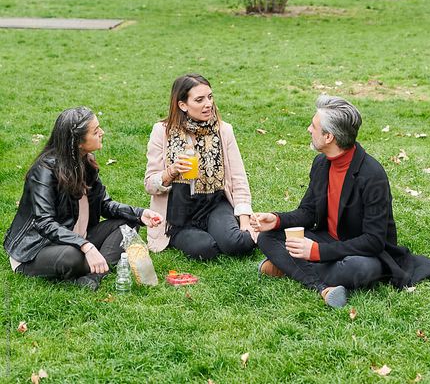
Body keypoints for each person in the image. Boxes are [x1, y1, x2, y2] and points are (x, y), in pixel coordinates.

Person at [251, 95, 430, 309]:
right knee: (268, 237)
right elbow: (308, 212)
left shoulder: (372, 175)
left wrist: (316, 252)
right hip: (328, 238)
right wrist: (275, 220)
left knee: (361, 269)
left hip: (361, 251)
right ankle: (322, 287)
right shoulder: (321, 163)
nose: (308, 130)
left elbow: (374, 241)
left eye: (313, 126)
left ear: (329, 136)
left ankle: (287, 267)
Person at [4, 107, 162, 291]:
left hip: (76, 238)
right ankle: (92, 264)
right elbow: (44, 223)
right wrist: (85, 246)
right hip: (39, 247)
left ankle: (94, 276)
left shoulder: (86, 162)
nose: (102, 133)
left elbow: (104, 204)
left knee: (128, 224)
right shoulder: (44, 170)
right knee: (72, 257)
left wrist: (140, 214)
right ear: (78, 142)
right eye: (95, 131)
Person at [145, 74, 256, 260]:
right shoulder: (162, 131)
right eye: (199, 100)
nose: (208, 104)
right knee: (206, 249)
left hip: (214, 204)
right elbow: (150, 184)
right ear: (183, 105)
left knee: (238, 243)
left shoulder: (223, 130)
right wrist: (171, 171)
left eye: (210, 97)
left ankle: (223, 229)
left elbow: (238, 177)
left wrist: (245, 221)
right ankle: (191, 235)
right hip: (180, 212)